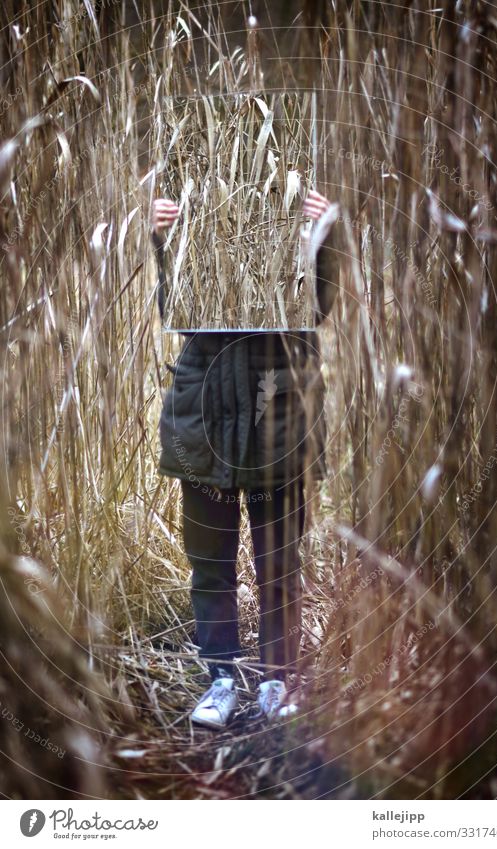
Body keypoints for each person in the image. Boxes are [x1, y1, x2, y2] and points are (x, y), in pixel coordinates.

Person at [151, 189, 339, 729]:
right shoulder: (202, 216)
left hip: (278, 419)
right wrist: (166, 238)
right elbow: (176, 311)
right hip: (202, 419)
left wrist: (326, 237)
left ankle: (278, 677)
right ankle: (221, 679)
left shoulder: (291, 216)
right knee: (210, 564)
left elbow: (319, 309)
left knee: (280, 561)